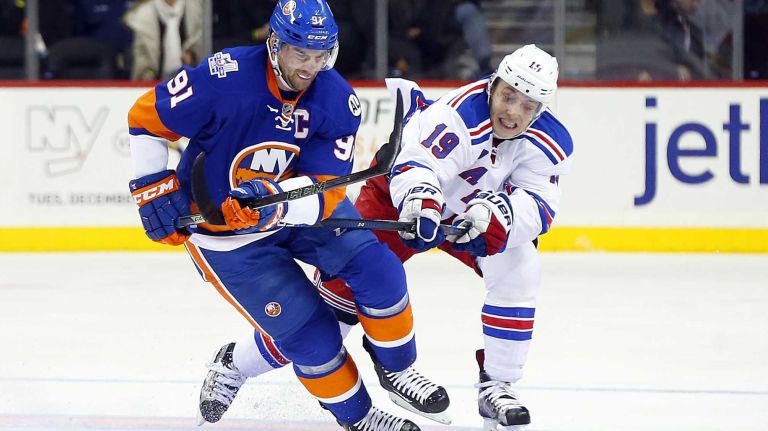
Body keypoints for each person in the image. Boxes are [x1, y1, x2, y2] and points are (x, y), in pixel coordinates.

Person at [125, 1, 448, 430]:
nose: (311, 67)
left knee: (378, 268)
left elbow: (326, 188)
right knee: (313, 338)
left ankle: (399, 369)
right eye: (300, 54)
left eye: (321, 55)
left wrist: (275, 199)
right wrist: (152, 188)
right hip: (226, 237)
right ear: (274, 44)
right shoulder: (225, 77)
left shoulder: (336, 100)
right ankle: (359, 416)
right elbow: (147, 117)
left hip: (299, 214)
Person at [227, 44, 573, 431]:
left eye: (527, 106)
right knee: (330, 319)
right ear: (494, 85)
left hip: (465, 216)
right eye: (508, 96)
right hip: (397, 201)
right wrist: (421, 202)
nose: (513, 112)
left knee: (520, 267)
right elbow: (417, 164)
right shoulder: (458, 114)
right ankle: (235, 364)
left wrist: (500, 218)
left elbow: (539, 203)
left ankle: (498, 385)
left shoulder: (550, 142)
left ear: (540, 110)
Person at [123, 0, 203, 81]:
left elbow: (201, 44)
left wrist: (193, 56)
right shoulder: (142, 17)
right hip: (155, 84)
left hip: (192, 81)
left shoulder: (199, 9)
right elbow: (140, 59)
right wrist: (146, 72)